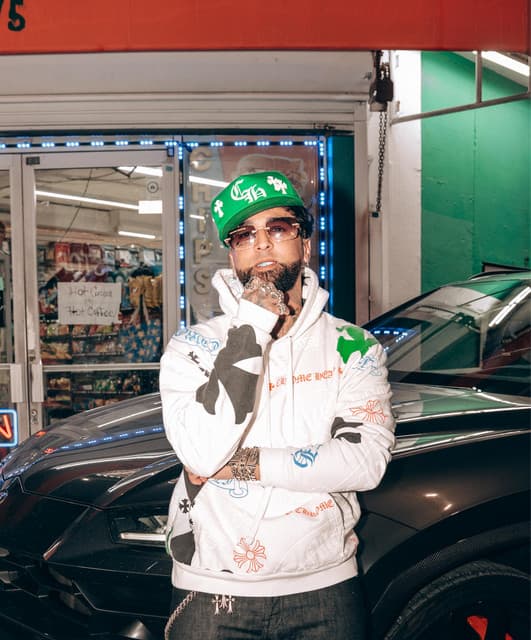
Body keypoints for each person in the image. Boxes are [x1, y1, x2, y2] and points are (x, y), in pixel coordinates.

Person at [160, 170, 395, 640]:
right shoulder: (192, 348)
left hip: (325, 583)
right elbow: (202, 454)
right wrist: (250, 327)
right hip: (211, 587)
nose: (262, 243)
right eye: (245, 235)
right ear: (233, 255)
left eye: (279, 228)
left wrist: (241, 465)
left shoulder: (354, 346)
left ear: (304, 245)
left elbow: (365, 463)